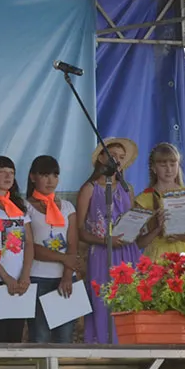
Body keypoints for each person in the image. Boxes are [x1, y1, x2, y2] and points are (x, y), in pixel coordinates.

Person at [75, 138, 140, 344]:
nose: (117, 160)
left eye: (121, 157)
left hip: (128, 252)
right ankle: (102, 346)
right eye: (113, 156)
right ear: (101, 158)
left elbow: (131, 219)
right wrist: (104, 240)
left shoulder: (127, 189)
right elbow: (80, 231)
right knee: (103, 300)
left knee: (129, 299)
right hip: (102, 253)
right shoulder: (89, 188)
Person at [0, 155, 33, 344]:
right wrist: (6, 277)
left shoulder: (20, 206)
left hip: (20, 280)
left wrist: (25, 275)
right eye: (2, 172)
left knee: (16, 334)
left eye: (11, 172)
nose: (8, 176)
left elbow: (29, 243)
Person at [26, 155, 79, 344]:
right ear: (33, 177)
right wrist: (64, 259)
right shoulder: (24, 207)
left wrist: (67, 276)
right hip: (37, 276)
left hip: (66, 277)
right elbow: (30, 247)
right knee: (39, 336)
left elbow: (73, 244)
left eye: (55, 175)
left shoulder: (67, 207)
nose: (51, 181)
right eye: (45, 175)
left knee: (64, 337)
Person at [133, 142, 185, 260]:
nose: (169, 169)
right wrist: (157, 229)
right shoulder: (144, 199)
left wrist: (181, 237)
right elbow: (138, 244)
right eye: (163, 165)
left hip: (184, 257)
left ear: (178, 166)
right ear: (154, 168)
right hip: (156, 257)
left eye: (173, 164)